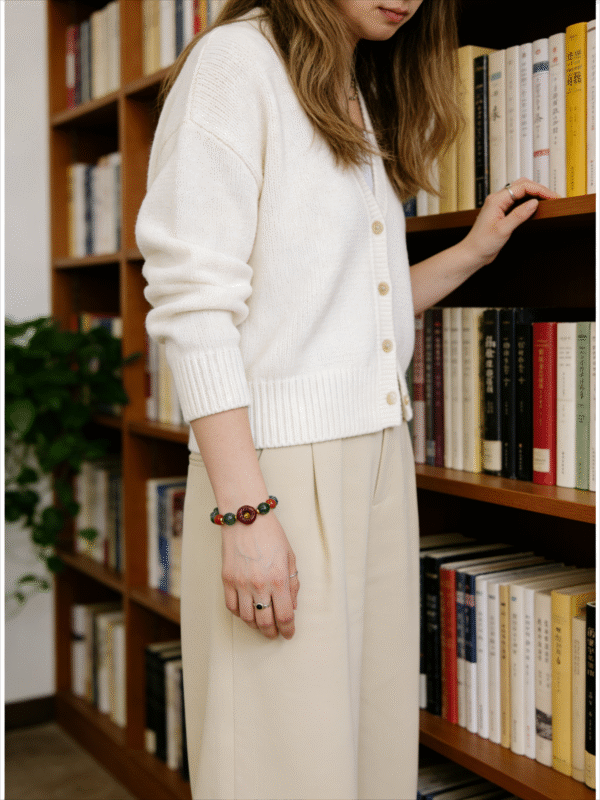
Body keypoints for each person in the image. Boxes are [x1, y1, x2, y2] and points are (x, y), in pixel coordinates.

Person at [136, 2, 559, 798]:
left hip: (377, 459)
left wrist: (473, 252)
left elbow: (346, 313)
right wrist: (246, 512)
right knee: (279, 766)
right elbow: (194, 304)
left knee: (368, 760)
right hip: (274, 475)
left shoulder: (348, 85)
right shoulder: (236, 63)